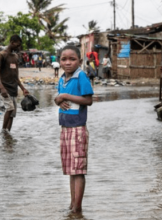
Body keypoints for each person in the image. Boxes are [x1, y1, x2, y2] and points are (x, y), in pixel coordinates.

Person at [54, 45, 94, 213]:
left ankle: (77, 208)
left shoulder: (81, 76)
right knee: (72, 170)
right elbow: (58, 98)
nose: (68, 62)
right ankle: (72, 206)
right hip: (65, 129)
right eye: (64, 59)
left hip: (77, 129)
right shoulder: (63, 78)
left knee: (78, 171)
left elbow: (88, 100)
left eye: (72, 59)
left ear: (80, 61)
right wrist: (59, 99)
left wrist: (65, 96)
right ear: (59, 62)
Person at [0, 34, 29, 132]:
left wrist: (23, 89)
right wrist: (1, 88)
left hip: (13, 89)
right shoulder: (1, 55)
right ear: (12, 42)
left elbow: (15, 76)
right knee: (9, 108)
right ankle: (3, 131)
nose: (18, 47)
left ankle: (7, 135)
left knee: (12, 113)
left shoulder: (15, 57)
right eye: (17, 45)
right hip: (5, 88)